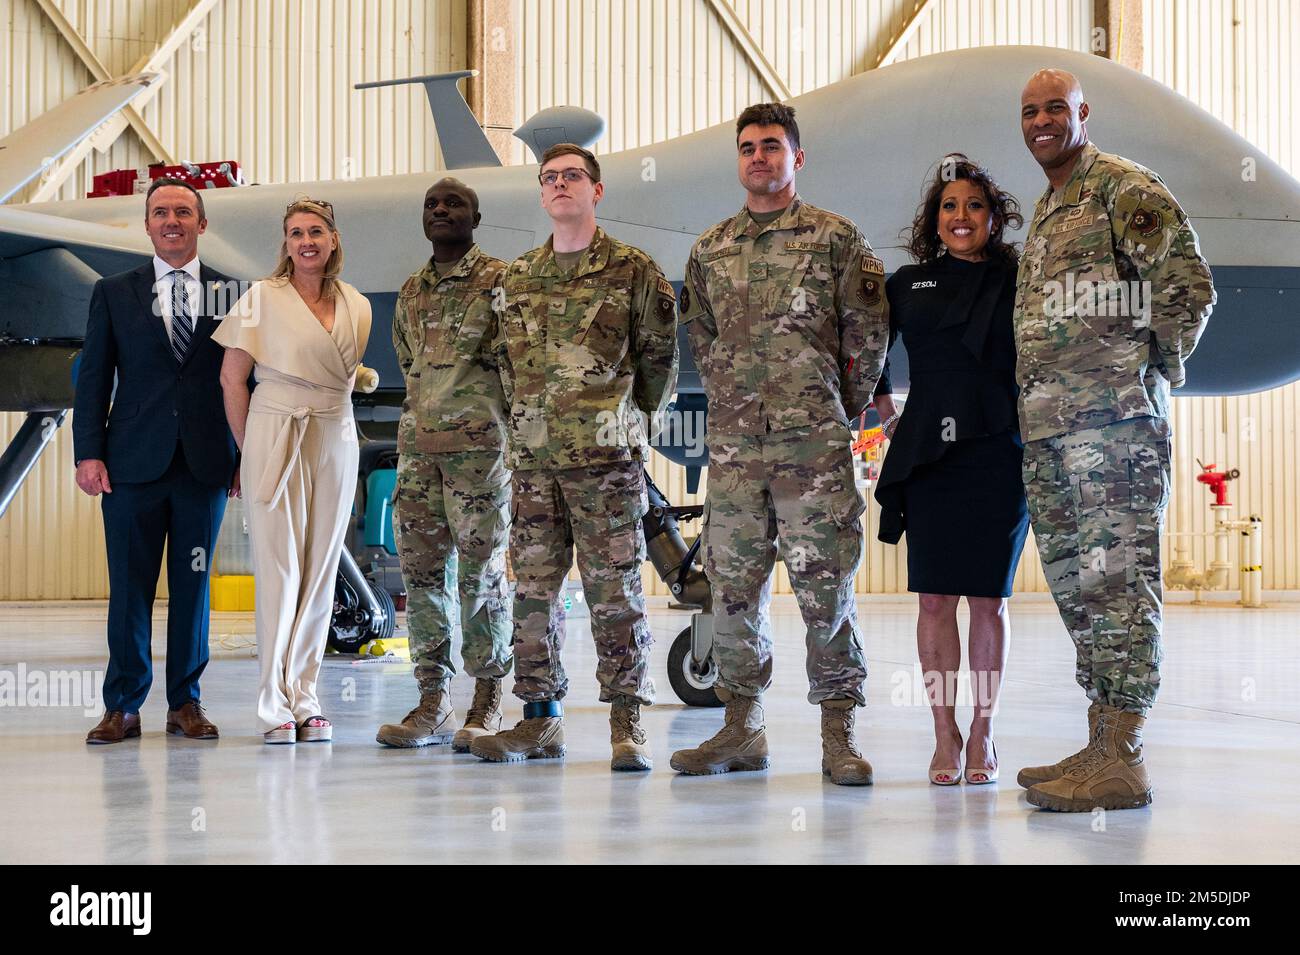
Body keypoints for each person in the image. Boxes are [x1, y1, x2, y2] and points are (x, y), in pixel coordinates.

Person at [670, 103, 889, 785]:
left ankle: (839, 735)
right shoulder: (709, 248)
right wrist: (739, 401)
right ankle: (742, 727)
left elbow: (869, 335)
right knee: (732, 592)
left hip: (812, 452)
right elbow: (700, 339)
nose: (758, 157)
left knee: (826, 592)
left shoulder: (835, 240)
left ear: (798, 157)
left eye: (771, 146)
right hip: (734, 455)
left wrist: (829, 406)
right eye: (747, 147)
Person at [1014, 69, 1215, 810]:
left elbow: (1188, 286)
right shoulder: (1050, 205)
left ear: (1083, 113)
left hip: (1114, 432)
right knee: (1079, 588)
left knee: (1120, 586)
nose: (1042, 121)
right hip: (1053, 436)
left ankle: (1124, 756)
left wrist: (1147, 372)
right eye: (1030, 111)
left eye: (1055, 108)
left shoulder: (1121, 188)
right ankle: (1101, 738)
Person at [470, 143, 678, 772]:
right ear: (541, 194)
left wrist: (626, 425)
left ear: (597, 190)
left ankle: (627, 722)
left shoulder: (634, 271)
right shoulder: (516, 279)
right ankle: (540, 721)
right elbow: (502, 364)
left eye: (572, 177)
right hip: (533, 465)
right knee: (532, 592)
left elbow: (659, 362)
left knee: (614, 592)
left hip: (608, 464)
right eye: (549, 178)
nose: (560, 185)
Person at [873, 154, 1029, 785]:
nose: (960, 217)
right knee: (935, 597)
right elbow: (864, 342)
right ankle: (944, 731)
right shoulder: (908, 282)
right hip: (929, 451)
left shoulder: (1022, 280)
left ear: (994, 218)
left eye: (974, 206)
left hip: (998, 448)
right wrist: (882, 400)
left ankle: (984, 733)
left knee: (988, 600)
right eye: (949, 206)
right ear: (934, 219)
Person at [74, 177, 238, 745]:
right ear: (146, 225)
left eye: (184, 212)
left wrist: (241, 455)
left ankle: (185, 703)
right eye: (161, 212)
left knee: (193, 587)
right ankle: (122, 705)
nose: (172, 221)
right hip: (130, 467)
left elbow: (247, 382)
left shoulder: (231, 293)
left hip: (203, 467)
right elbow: (93, 378)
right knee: (130, 588)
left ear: (202, 224)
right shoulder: (115, 291)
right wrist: (88, 452)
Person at [213, 197, 374, 744]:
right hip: (275, 430)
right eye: (294, 233)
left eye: (315, 232)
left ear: (333, 239)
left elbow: (346, 380)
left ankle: (306, 697)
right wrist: (247, 448)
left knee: (320, 568)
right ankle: (271, 704)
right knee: (278, 569)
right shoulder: (260, 298)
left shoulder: (357, 304)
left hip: (335, 431)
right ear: (285, 243)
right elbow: (233, 379)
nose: (305, 241)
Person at [375, 178, 513, 751]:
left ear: (476, 218)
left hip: (479, 457)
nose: (440, 211)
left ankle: (487, 700)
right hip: (419, 457)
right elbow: (408, 362)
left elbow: (515, 364)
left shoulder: (501, 282)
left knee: (481, 578)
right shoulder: (411, 291)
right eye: (431, 204)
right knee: (424, 581)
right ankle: (433, 700)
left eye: (453, 204)